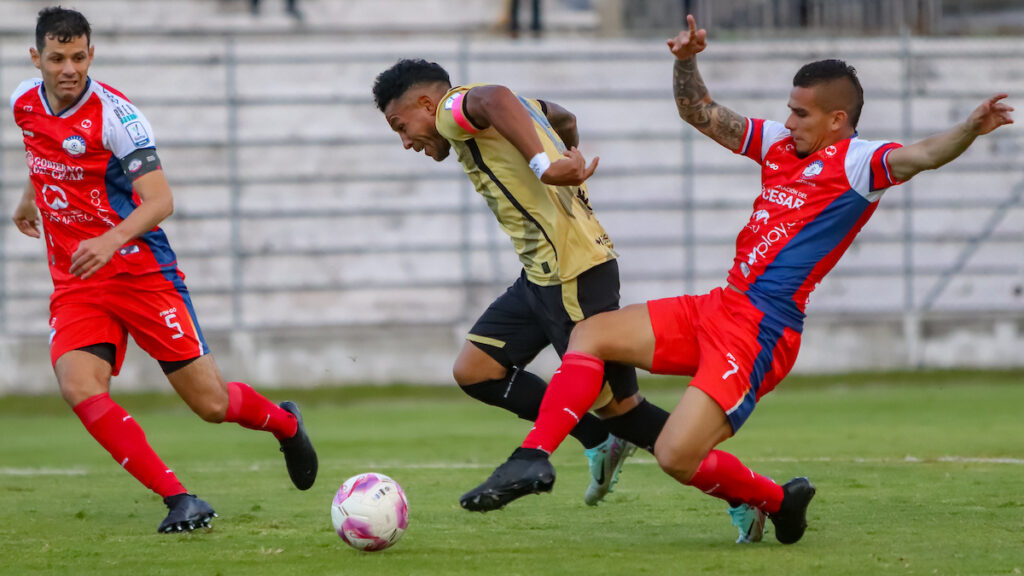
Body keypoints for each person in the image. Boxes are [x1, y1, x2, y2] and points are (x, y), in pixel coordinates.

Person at [461, 14, 1014, 546]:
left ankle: (776, 500)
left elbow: (923, 154)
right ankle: (532, 458)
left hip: (760, 331)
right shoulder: (779, 143)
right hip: (719, 305)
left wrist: (968, 127)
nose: (789, 121)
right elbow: (699, 112)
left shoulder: (858, 163)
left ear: (837, 120)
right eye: (789, 110)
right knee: (593, 334)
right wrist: (686, 63)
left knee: (678, 457)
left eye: (801, 113)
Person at [10, 7, 318, 533]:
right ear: (36, 57)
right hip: (80, 282)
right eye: (57, 58)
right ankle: (181, 499)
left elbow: (160, 200)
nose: (68, 69)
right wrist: (28, 199)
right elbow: (45, 155)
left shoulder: (117, 117)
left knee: (211, 404)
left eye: (79, 57)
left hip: (142, 276)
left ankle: (286, 424)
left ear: (91, 55)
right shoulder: (23, 102)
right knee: (80, 386)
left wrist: (109, 239)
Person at [372, 58, 677, 511]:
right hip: (541, 275)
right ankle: (596, 437)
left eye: (401, 125)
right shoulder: (523, 109)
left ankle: (749, 492)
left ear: (424, 102)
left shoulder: (453, 108)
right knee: (475, 370)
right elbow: (565, 118)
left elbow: (492, 96)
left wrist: (545, 166)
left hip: (572, 273)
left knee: (621, 409)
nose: (404, 141)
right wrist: (565, 161)